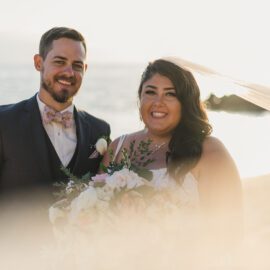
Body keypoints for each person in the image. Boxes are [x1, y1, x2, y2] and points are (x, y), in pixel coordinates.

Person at [102, 58, 243, 247]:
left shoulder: (210, 152)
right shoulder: (118, 147)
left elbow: (229, 235)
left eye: (170, 94)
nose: (158, 102)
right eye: (150, 92)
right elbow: (98, 214)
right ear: (140, 98)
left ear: (185, 102)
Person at [0, 27, 110, 200]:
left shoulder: (100, 130)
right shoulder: (4, 121)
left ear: (85, 69)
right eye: (59, 61)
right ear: (39, 62)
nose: (69, 72)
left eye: (77, 65)